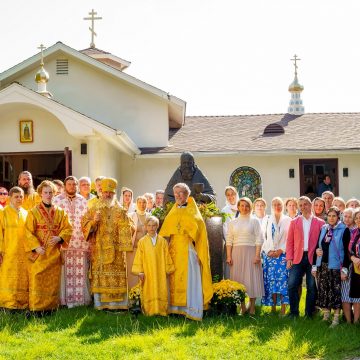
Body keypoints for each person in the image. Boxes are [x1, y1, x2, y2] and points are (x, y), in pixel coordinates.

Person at [159, 183, 213, 320]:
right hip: (173, 249)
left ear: (187, 195)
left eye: (181, 192)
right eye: (175, 193)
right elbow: (165, 232)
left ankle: (190, 310)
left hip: (187, 249)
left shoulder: (193, 212)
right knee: (172, 277)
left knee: (189, 278)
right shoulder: (173, 211)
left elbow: (200, 233)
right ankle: (175, 309)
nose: (177, 195)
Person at [82, 178, 134, 311]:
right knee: (101, 274)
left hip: (117, 250)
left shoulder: (120, 210)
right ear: (101, 192)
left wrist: (125, 222)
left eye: (110, 193)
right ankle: (101, 304)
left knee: (118, 274)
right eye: (105, 192)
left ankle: (118, 305)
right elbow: (84, 225)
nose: (108, 195)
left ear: (114, 193)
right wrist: (94, 221)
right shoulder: (94, 208)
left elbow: (131, 227)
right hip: (100, 250)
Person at [24, 180, 72, 312]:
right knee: (37, 279)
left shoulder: (61, 212)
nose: (48, 195)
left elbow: (68, 228)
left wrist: (60, 237)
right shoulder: (33, 212)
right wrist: (35, 247)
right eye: (45, 192)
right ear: (40, 193)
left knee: (53, 282)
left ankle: (51, 308)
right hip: (40, 252)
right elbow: (28, 232)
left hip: (54, 253)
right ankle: (36, 309)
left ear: (54, 194)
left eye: (51, 192)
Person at [53, 176, 90, 308]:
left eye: (74, 184)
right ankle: (65, 301)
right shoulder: (57, 200)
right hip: (64, 242)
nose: (72, 187)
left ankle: (79, 301)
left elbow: (87, 221)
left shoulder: (83, 201)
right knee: (65, 273)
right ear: (64, 186)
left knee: (80, 271)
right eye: (69, 184)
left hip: (80, 242)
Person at [286, 196, 325, 318]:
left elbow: (322, 242)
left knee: (312, 286)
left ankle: (309, 313)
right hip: (297, 257)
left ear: (310, 205)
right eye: (301, 205)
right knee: (292, 285)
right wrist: (289, 258)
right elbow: (290, 242)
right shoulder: (294, 222)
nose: (303, 207)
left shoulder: (320, 223)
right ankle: (294, 312)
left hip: (312, 258)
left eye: (305, 204)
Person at [226, 197, 264, 315]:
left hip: (251, 252)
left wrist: (257, 255)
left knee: (251, 279)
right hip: (236, 253)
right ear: (238, 207)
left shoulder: (255, 221)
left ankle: (252, 307)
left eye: (247, 205)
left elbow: (259, 238)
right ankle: (242, 307)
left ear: (250, 207)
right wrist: (229, 256)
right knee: (239, 280)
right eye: (242, 205)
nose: (244, 208)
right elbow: (229, 240)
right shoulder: (233, 222)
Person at [312, 207, 348, 327]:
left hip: (336, 267)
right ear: (326, 217)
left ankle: (336, 319)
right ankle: (326, 315)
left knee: (335, 292)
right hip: (323, 265)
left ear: (338, 217)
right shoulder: (324, 228)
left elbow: (347, 252)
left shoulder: (344, 230)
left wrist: (344, 269)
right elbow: (318, 245)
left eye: (334, 216)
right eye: (329, 216)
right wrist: (316, 258)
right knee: (324, 291)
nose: (331, 218)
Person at [132, 216, 175, 316]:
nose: (151, 228)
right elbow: (139, 257)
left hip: (160, 271)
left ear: (157, 226)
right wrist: (140, 272)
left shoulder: (163, 241)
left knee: (161, 289)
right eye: (149, 225)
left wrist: (168, 269)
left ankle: (161, 310)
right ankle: (149, 311)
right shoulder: (142, 241)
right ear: (146, 227)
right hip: (147, 272)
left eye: (154, 225)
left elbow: (167, 256)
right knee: (148, 289)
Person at [261, 197, 291, 315]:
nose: (277, 207)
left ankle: (283, 309)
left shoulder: (288, 220)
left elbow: (289, 238)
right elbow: (263, 237)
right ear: (271, 206)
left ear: (283, 206)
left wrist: (281, 250)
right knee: (272, 282)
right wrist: (268, 251)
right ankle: (273, 308)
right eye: (274, 205)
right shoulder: (266, 219)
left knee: (283, 282)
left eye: (279, 204)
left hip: (282, 255)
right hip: (269, 256)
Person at [0, 187, 28, 309]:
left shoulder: (26, 213)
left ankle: (21, 304)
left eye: (21, 196)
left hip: (23, 253)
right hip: (8, 252)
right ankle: (7, 304)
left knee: (22, 278)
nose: (19, 199)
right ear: (10, 198)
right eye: (16, 196)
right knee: (8, 278)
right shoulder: (3, 213)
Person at [128, 196, 150, 290]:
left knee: (145, 271)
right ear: (136, 204)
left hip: (146, 250)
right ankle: (133, 295)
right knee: (133, 272)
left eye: (144, 202)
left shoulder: (150, 216)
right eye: (140, 202)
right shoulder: (131, 215)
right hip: (134, 249)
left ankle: (145, 292)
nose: (142, 205)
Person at [340, 207, 358, 323]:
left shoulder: (356, 231)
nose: (346, 219)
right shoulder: (341, 229)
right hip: (344, 266)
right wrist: (344, 270)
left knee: (357, 294)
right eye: (344, 216)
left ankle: (356, 321)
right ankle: (348, 321)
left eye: (349, 216)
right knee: (345, 293)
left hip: (356, 266)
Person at [349, 209, 360, 323]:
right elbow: (349, 251)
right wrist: (353, 258)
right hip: (356, 268)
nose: (358, 220)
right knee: (357, 296)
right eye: (356, 218)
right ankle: (356, 321)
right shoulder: (354, 232)